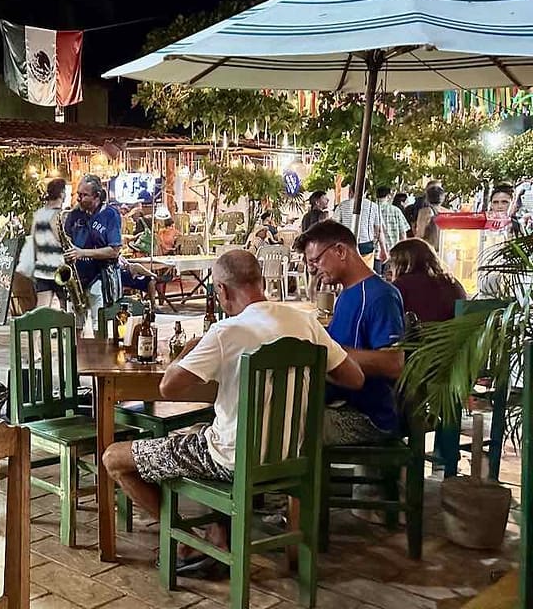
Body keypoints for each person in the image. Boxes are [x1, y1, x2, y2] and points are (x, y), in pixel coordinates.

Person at [102, 250, 363, 576]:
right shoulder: (305, 323)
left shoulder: (225, 333)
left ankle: (188, 542)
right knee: (204, 429)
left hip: (230, 461)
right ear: (262, 282)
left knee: (114, 457)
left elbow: (169, 387)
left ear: (222, 291)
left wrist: (190, 350)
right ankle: (219, 534)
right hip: (291, 456)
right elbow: (354, 377)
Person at [293, 221, 406, 445]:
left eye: (316, 260)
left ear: (340, 251)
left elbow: (395, 364)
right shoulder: (347, 294)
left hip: (366, 417)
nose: (313, 269)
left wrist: (331, 352)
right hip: (339, 403)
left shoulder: (380, 296)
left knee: (279, 426)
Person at [63, 174, 122, 335]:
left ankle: (99, 359)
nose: (79, 199)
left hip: (100, 277)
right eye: (78, 194)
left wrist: (82, 253)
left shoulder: (110, 214)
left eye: (83, 195)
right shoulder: (75, 214)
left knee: (99, 325)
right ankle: (76, 357)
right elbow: (66, 239)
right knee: (74, 325)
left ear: (96, 196)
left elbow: (114, 250)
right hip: (77, 278)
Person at [387, 238, 466, 323]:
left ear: (400, 263)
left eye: (391, 264)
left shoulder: (400, 286)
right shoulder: (453, 283)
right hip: (453, 335)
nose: (390, 269)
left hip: (415, 335)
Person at [331, 185, 389, 269]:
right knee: (365, 272)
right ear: (367, 191)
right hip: (366, 246)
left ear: (351, 190)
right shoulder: (374, 207)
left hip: (346, 245)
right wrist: (383, 249)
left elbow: (334, 228)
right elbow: (379, 231)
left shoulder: (341, 206)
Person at [31, 178, 67, 308]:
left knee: (42, 309)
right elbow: (63, 241)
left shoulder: (38, 214)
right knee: (65, 310)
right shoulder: (62, 215)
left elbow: (34, 242)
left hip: (41, 268)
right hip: (61, 268)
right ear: (62, 193)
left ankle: (37, 329)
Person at [375, 185, 410, 275]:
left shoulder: (372, 209)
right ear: (388, 196)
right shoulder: (396, 211)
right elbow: (403, 233)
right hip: (393, 251)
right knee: (391, 279)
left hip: (376, 252)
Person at [415, 184, 445, 251]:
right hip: (444, 249)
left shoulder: (425, 212)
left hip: (429, 249)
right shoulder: (448, 213)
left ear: (427, 198)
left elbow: (421, 232)